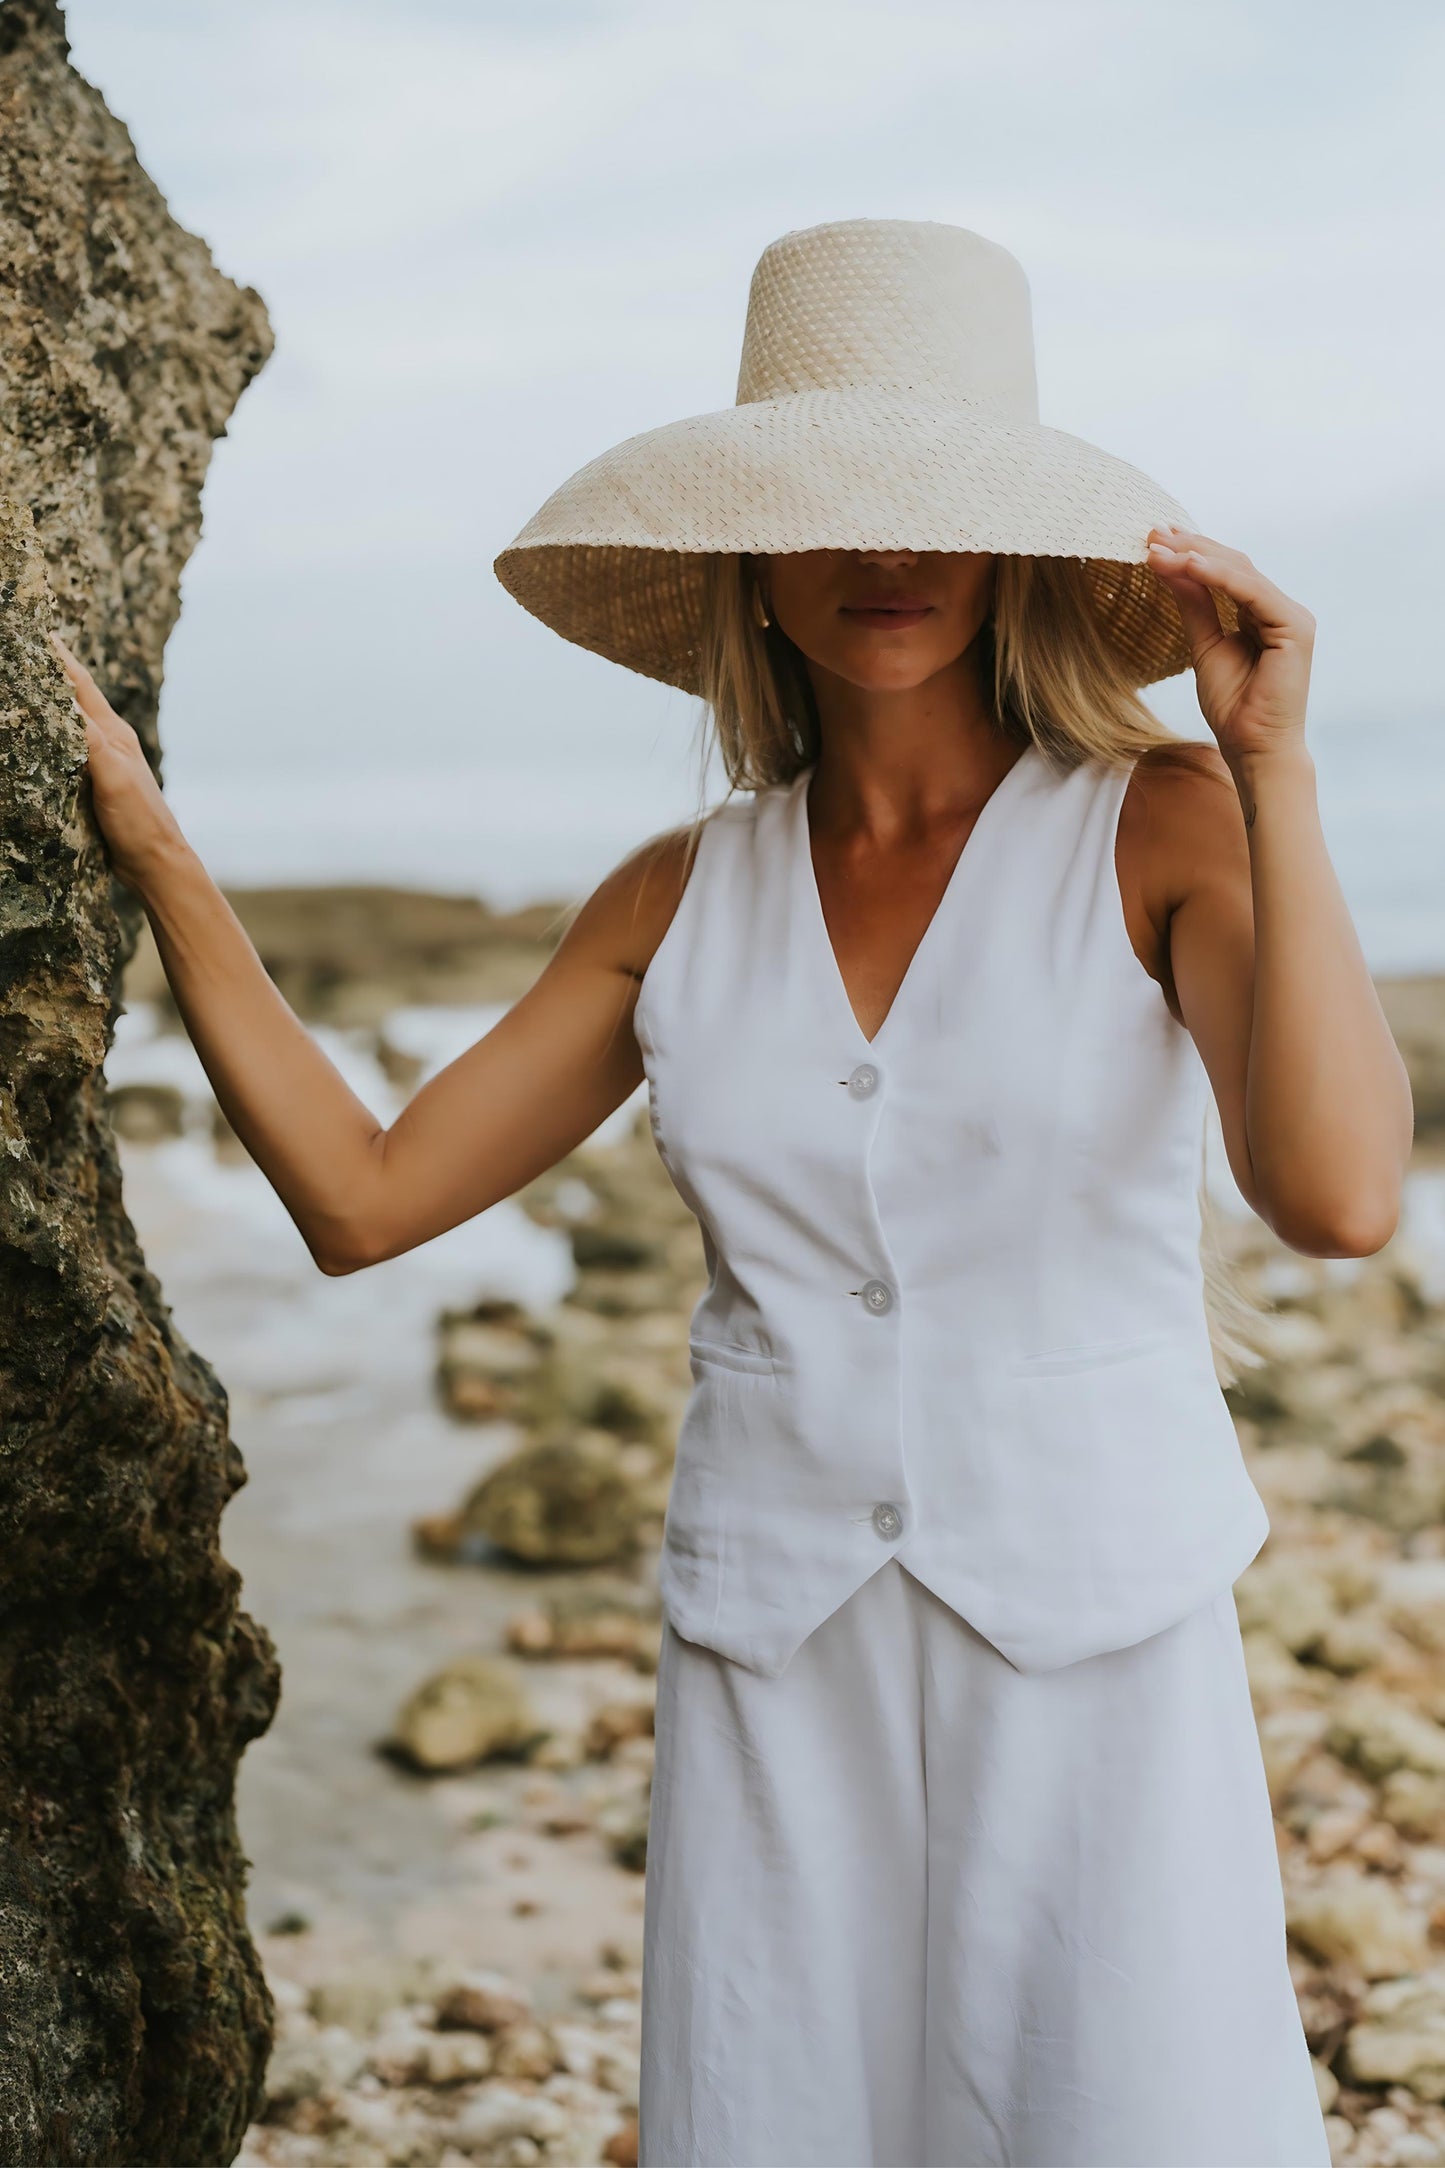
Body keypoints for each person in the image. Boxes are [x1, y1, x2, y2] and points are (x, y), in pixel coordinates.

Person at [52, 218, 1409, 2168]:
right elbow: (360, 1196)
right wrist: (167, 860)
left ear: (1014, 541)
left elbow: (1345, 1191)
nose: (886, 550)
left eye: (936, 501)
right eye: (828, 503)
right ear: (746, 555)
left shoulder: (1160, 824)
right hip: (782, 1651)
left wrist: (1272, 766)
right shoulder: (678, 897)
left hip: (1098, 1639)